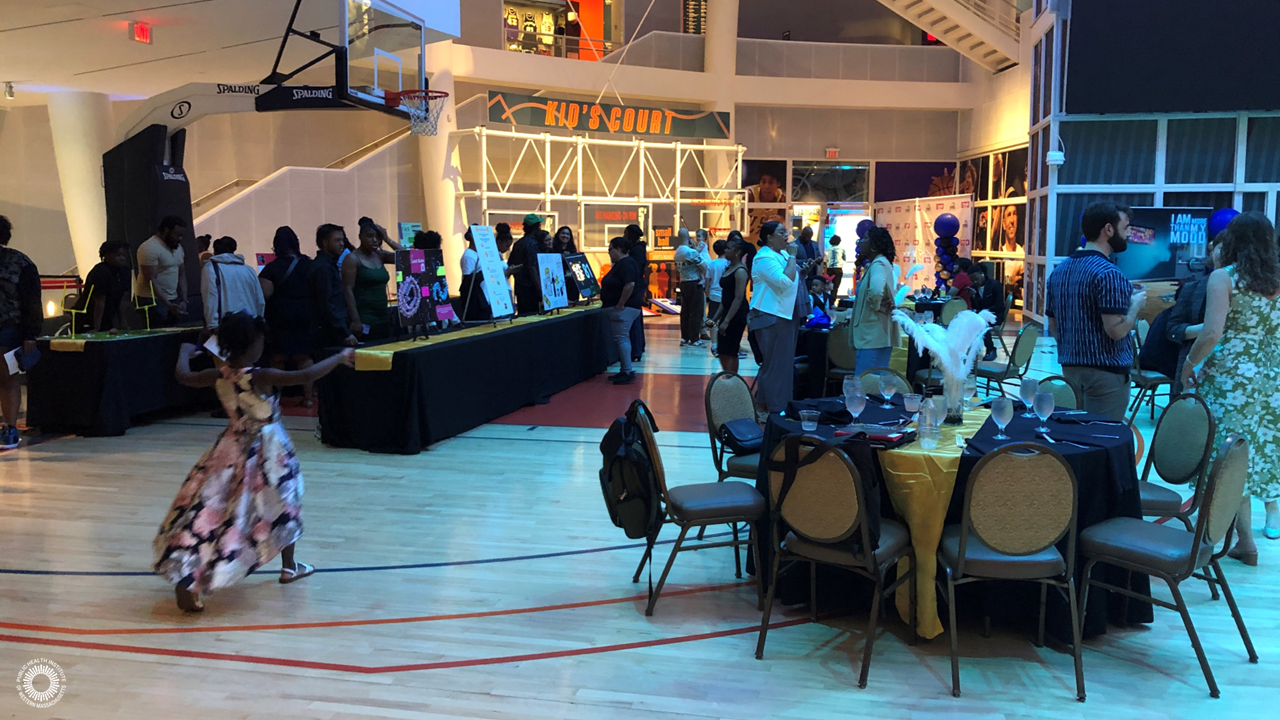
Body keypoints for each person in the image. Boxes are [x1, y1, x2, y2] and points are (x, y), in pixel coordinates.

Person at [156, 311, 355, 612]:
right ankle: (288, 567)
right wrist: (340, 357)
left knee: (211, 509)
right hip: (268, 450)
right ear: (251, 345)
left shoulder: (217, 375)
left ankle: (190, 570)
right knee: (283, 503)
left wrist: (185, 351)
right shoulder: (259, 376)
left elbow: (183, 375)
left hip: (228, 449)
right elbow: (305, 376)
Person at [1182, 212, 1280, 563]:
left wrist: (1190, 363)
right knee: (1245, 458)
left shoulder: (1224, 278)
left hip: (1231, 379)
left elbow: (1211, 334)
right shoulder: (1276, 281)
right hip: (1270, 380)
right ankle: (1246, 542)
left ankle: (1206, 540)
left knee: (1219, 457)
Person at [1045, 202, 1146, 421]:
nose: (1129, 234)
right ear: (1109, 229)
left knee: (1075, 436)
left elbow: (1054, 326)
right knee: (1101, 440)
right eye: (1126, 227)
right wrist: (1135, 306)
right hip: (1106, 375)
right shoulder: (1109, 273)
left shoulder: (1059, 272)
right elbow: (1116, 331)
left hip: (1070, 370)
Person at [749, 221, 805, 415]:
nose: (787, 236)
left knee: (781, 364)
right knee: (776, 366)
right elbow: (784, 282)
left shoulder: (779, 255)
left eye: (786, 232)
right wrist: (792, 256)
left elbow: (793, 277)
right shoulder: (763, 258)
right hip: (770, 315)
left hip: (785, 315)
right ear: (769, 237)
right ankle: (776, 408)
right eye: (781, 232)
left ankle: (764, 405)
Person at [259, 226, 316, 406]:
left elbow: (265, 294)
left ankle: (273, 399)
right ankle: (307, 398)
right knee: (304, 357)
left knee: (277, 358)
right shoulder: (309, 264)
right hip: (305, 314)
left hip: (280, 317)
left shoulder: (272, 268)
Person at [0, 215, 40, 450]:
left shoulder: (19, 262)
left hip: (8, 328)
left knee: (6, 379)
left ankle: (10, 428)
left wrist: (30, 335)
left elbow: (32, 301)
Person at [1167, 231, 1225, 394]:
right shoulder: (1193, 288)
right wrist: (1204, 329)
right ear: (1212, 251)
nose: (1226, 254)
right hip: (1196, 366)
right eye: (1221, 248)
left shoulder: (1252, 291)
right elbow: (1172, 330)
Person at [848, 226, 897, 375]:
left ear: (874, 245)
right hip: (878, 333)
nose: (860, 242)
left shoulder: (878, 264)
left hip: (871, 335)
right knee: (876, 383)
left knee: (865, 383)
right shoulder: (881, 263)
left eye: (864, 239)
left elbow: (876, 290)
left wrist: (876, 305)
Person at [343, 219, 402, 340]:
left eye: (378, 237)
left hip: (384, 316)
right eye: (369, 236)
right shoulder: (352, 259)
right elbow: (347, 290)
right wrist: (355, 320)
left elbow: (408, 257)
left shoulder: (380, 255)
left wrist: (387, 239)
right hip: (364, 317)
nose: (375, 240)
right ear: (360, 237)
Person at [309, 224, 358, 352]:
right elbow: (327, 304)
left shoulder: (329, 265)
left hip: (333, 328)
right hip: (329, 332)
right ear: (325, 242)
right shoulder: (323, 268)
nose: (342, 244)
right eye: (337, 240)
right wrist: (345, 332)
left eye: (343, 240)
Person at [601, 236, 642, 386]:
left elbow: (629, 284)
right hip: (624, 307)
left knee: (622, 338)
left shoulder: (626, 264)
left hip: (624, 308)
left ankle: (627, 370)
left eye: (610, 249)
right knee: (622, 338)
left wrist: (620, 303)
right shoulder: (622, 264)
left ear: (618, 249)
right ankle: (625, 369)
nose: (608, 252)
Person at [706, 238, 751, 375]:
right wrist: (716, 317)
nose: (725, 250)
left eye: (729, 248)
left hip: (737, 314)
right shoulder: (729, 268)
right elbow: (725, 298)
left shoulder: (740, 271)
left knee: (731, 350)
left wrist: (726, 320)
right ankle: (727, 373)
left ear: (737, 252)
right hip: (727, 310)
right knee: (723, 349)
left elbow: (738, 298)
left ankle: (732, 378)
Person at [136, 216, 189, 327]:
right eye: (176, 235)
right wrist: (167, 304)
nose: (179, 239)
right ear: (166, 230)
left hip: (172, 297)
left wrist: (183, 300)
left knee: (174, 333)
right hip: (151, 299)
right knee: (157, 334)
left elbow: (181, 274)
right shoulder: (149, 248)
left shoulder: (178, 248)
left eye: (182, 236)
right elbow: (151, 280)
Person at [201, 237, 265, 329]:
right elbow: (260, 300)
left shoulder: (210, 269)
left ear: (215, 251)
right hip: (250, 325)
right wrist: (259, 321)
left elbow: (210, 298)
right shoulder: (249, 270)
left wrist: (212, 325)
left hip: (226, 327)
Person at [74, 240, 133, 334]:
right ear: (107, 256)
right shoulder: (100, 272)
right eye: (118, 255)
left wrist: (123, 323)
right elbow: (99, 301)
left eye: (124, 255)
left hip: (107, 317)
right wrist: (96, 327)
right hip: (86, 317)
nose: (122, 258)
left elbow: (123, 300)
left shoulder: (124, 272)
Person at [673, 227, 709, 347]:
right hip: (694, 283)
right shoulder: (691, 252)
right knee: (696, 312)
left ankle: (685, 337)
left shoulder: (677, 252)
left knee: (685, 312)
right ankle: (694, 339)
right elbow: (704, 267)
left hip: (683, 282)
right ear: (688, 237)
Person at [965, 263, 1006, 361]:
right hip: (980, 315)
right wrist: (973, 298)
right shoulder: (973, 288)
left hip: (995, 315)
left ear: (982, 274)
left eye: (976, 279)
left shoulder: (995, 285)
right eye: (972, 280)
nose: (975, 282)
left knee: (982, 322)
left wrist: (983, 311)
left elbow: (1000, 306)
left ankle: (990, 349)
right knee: (966, 320)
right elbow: (976, 307)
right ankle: (968, 349)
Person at [506, 214, 545, 315]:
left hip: (520, 287)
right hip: (532, 289)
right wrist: (540, 289)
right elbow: (532, 267)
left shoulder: (518, 243)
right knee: (535, 317)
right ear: (536, 227)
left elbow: (511, 263)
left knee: (524, 317)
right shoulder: (532, 243)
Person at [624, 224, 648, 362]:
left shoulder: (637, 251)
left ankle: (637, 349)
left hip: (636, 288)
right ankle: (639, 346)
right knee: (636, 317)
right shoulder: (637, 249)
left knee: (635, 318)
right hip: (638, 287)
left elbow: (636, 269)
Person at [705, 239, 729, 355]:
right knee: (726, 321)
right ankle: (725, 346)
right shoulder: (728, 264)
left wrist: (707, 292)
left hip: (714, 295)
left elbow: (707, 280)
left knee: (713, 321)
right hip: (726, 295)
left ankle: (714, 346)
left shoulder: (712, 263)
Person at [826, 235, 847, 302]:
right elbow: (844, 258)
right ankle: (833, 300)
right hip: (838, 269)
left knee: (829, 286)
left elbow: (825, 260)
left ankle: (829, 301)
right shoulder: (842, 250)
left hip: (830, 269)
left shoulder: (828, 250)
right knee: (836, 287)